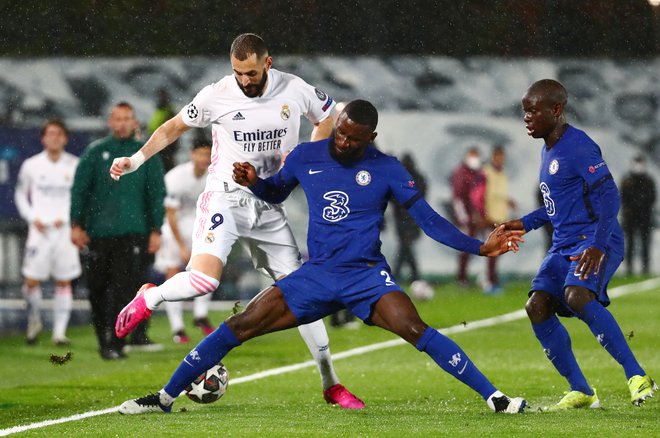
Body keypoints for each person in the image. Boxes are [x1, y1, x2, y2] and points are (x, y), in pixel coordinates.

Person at [117, 99, 527, 415]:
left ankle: (495, 398)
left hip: (366, 276)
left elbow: (428, 220)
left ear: (370, 137)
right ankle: (166, 397)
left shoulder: (386, 169)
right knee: (239, 325)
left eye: (353, 138)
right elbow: (277, 192)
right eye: (340, 133)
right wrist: (256, 183)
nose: (343, 141)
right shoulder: (306, 156)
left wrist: (478, 247)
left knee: (416, 329)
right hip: (316, 274)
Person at [109, 33, 362, 408]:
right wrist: (136, 159)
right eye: (238, 72)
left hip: (268, 203)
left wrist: (305, 154)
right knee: (203, 280)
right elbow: (174, 127)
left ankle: (331, 383)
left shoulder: (296, 89)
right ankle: (153, 295)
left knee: (303, 297)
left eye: (251, 72)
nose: (244, 80)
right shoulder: (218, 94)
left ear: (268, 64)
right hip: (225, 197)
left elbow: (325, 118)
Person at [503, 79, 656, 410]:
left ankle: (637, 375)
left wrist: (599, 245)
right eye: (524, 112)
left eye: (532, 111)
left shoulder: (578, 146)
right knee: (537, 305)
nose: (526, 118)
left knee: (577, 296)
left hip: (596, 239)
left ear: (556, 110)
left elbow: (609, 194)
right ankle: (582, 390)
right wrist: (523, 224)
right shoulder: (550, 149)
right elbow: (559, 203)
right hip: (564, 243)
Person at [70, 101, 166, 360]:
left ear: (135, 122)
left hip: (134, 232)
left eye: (127, 118)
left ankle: (118, 341)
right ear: (110, 122)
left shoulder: (144, 154)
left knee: (125, 289)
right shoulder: (95, 152)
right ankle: (104, 341)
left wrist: (156, 229)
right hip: (99, 233)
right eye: (118, 119)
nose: (122, 123)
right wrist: (76, 224)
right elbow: (80, 190)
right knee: (98, 288)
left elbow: (157, 194)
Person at [14, 119, 81, 345]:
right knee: (31, 281)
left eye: (59, 134)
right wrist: (33, 218)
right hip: (39, 231)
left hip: (64, 232)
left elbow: (80, 197)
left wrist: (73, 219)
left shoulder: (74, 164)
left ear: (65, 138)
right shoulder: (31, 165)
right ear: (43, 138)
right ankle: (34, 321)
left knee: (64, 281)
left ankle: (59, 333)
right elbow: (21, 195)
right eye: (50, 133)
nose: (54, 137)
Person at [155, 139, 215, 344]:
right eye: (200, 154)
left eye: (208, 154)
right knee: (172, 273)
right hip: (174, 230)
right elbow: (170, 214)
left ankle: (200, 315)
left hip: (200, 227)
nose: (204, 159)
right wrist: (181, 246)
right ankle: (177, 327)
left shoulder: (215, 176)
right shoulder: (176, 177)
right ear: (192, 155)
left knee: (207, 269)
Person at [482, 145, 516, 294]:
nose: (501, 159)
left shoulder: (502, 173)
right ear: (493, 156)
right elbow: (481, 195)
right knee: (491, 250)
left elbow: (499, 194)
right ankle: (489, 281)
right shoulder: (486, 173)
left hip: (501, 218)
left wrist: (509, 202)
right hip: (489, 217)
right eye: (498, 156)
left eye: (502, 156)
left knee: (496, 251)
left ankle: (490, 279)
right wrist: (483, 214)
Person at [451, 147, 487, 287]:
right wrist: (464, 218)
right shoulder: (461, 173)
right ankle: (462, 278)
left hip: (480, 217)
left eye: (476, 155)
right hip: (468, 218)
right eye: (472, 155)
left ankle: (486, 277)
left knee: (486, 245)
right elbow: (458, 198)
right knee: (466, 248)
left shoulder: (479, 172)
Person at [391, 153, 428, 282]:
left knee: (405, 246)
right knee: (405, 246)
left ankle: (399, 274)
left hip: (408, 217)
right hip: (409, 217)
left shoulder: (401, 178)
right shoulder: (414, 178)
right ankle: (413, 276)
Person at [619, 154, 656, 275]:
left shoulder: (648, 181)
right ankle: (629, 269)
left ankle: (645, 268)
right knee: (630, 244)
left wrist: (643, 207)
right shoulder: (627, 180)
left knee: (645, 244)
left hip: (645, 217)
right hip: (630, 217)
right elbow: (622, 198)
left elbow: (652, 198)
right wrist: (629, 210)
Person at [147, 88, 179, 172]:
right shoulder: (158, 111)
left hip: (165, 148)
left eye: (162, 97)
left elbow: (174, 130)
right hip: (156, 147)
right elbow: (153, 127)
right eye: (159, 97)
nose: (160, 99)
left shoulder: (169, 112)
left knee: (165, 170)